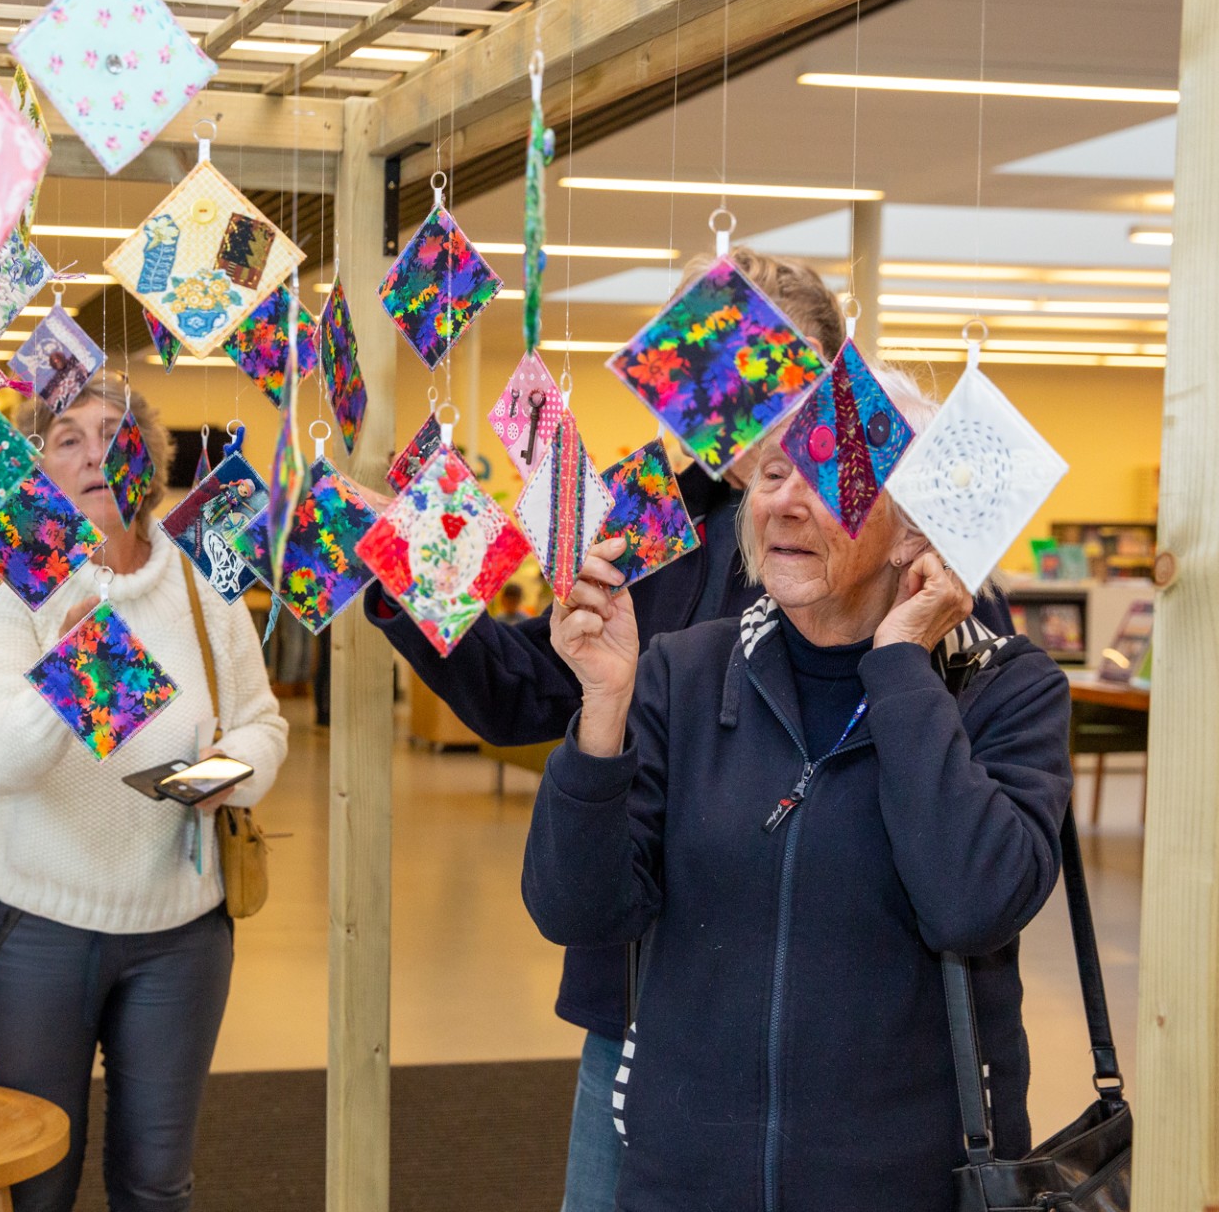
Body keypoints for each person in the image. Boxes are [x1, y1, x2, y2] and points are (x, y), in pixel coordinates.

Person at [363, 250, 998, 1212]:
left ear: (832, 380)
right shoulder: (651, 510)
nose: (734, 412)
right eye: (710, 374)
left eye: (768, 377)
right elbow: (534, 690)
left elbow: (968, 712)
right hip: (638, 991)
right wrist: (403, 578)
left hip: (848, 1017)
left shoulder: (895, 533)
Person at [522, 387, 1073, 1209]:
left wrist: (899, 664)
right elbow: (577, 910)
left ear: (915, 528)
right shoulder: (684, 671)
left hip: (907, 1185)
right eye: (776, 470)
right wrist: (602, 713)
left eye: (828, 476)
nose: (784, 498)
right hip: (682, 1181)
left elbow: (971, 903)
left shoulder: (1006, 688)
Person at [0, 372, 290, 1212]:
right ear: (37, 470)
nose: (95, 451)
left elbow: (264, 724)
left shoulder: (204, 582)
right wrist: (62, 680)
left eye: (114, 432)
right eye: (67, 436)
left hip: (182, 931)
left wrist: (224, 776)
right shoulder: (11, 583)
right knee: (37, 1181)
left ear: (148, 457)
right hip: (41, 927)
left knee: (155, 1183)